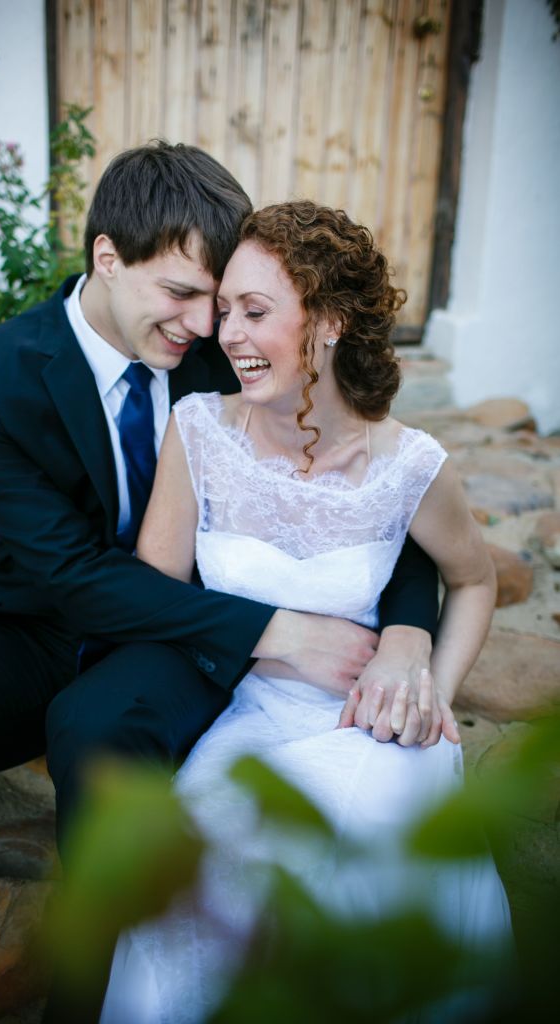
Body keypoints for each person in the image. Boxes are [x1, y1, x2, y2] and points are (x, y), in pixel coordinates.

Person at [0, 144, 438, 1024]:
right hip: (40, 617)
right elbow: (69, 573)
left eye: (214, 303)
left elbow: (371, 499)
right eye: (178, 295)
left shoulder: (238, 347)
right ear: (107, 258)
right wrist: (277, 629)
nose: (199, 328)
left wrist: (408, 630)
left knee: (99, 729)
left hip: (189, 633)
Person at [101, 200, 513, 1024]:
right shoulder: (200, 431)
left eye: (255, 312)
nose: (227, 335)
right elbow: (152, 593)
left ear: (327, 322)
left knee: (357, 867)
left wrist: (426, 677)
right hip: (252, 717)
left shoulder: (407, 465)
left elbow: (473, 579)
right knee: (189, 897)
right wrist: (260, 648)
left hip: (369, 727)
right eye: (225, 312)